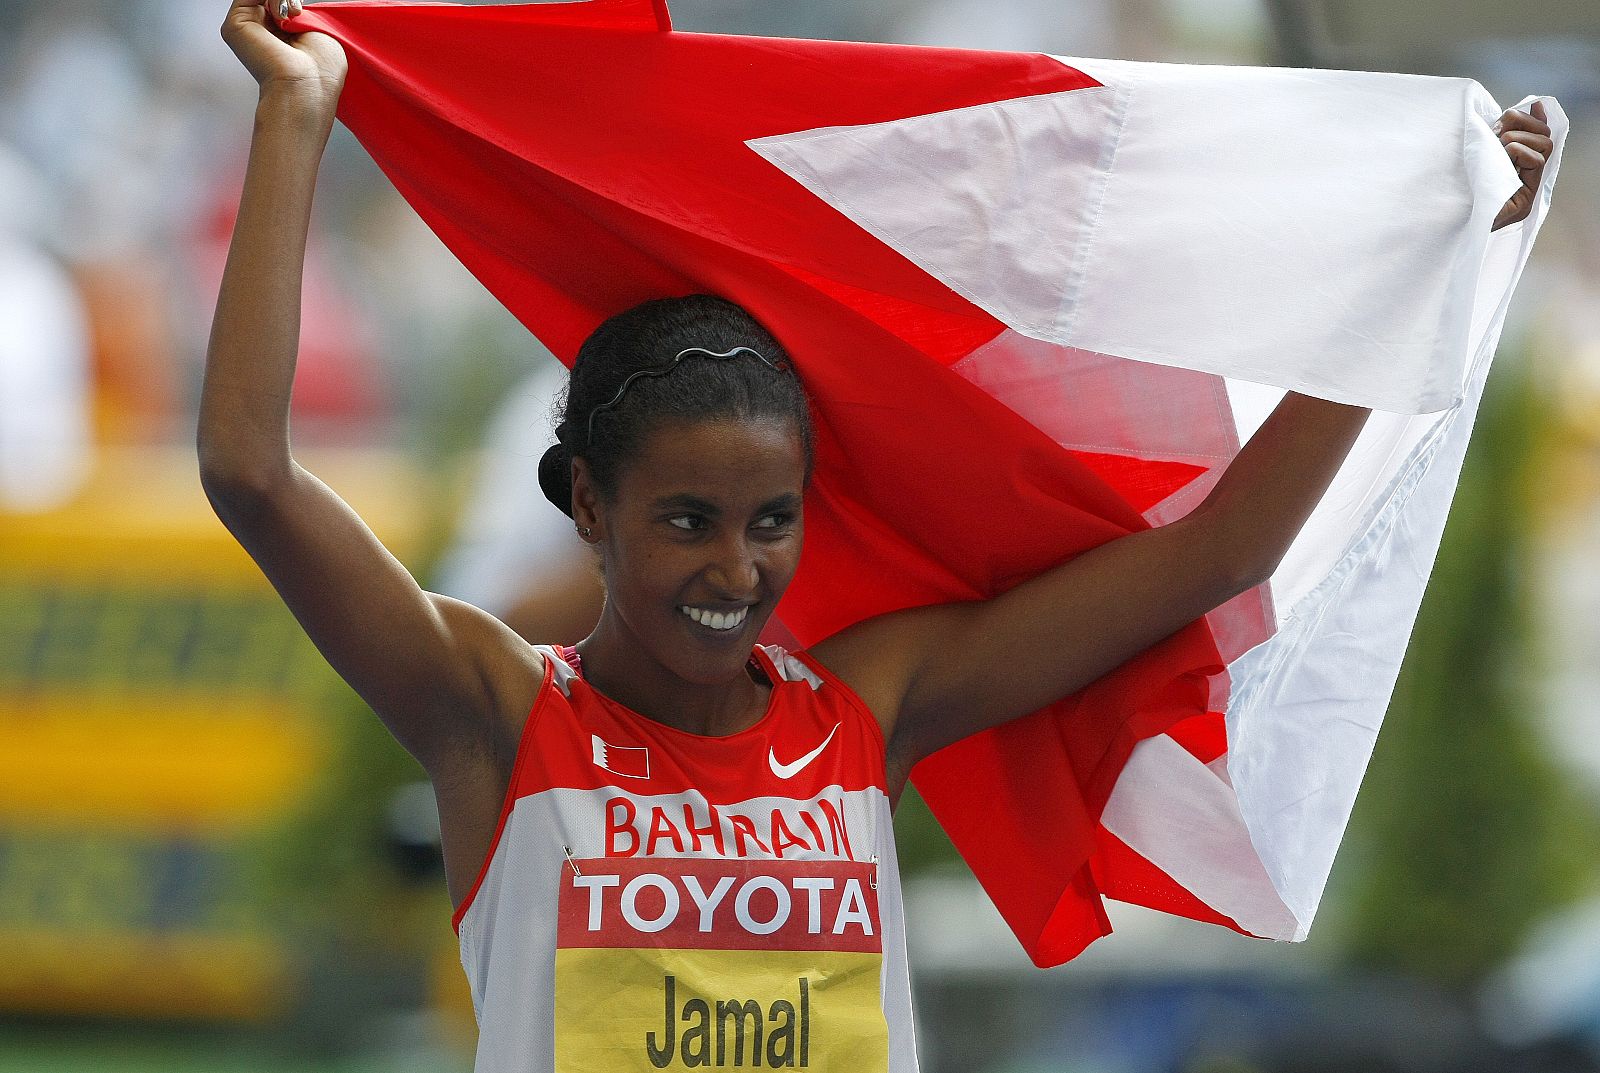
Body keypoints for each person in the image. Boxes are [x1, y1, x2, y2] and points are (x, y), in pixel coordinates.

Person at [204, 1, 1553, 1069]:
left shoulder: (865, 703)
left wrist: (1418, 261)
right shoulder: (493, 706)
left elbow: (1224, 550)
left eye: (771, 522)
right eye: (688, 522)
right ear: (589, 508)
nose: (737, 570)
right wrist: (297, 118)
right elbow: (252, 471)